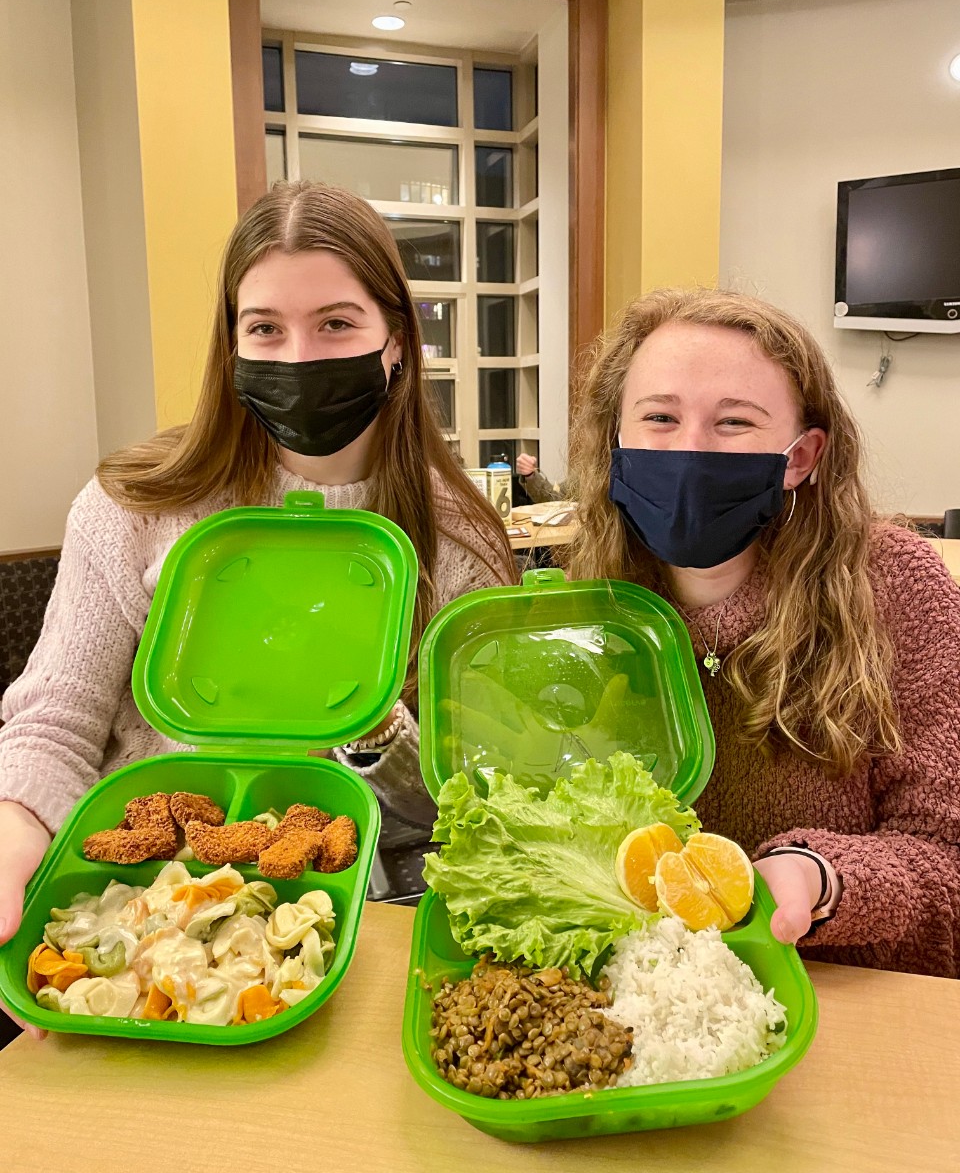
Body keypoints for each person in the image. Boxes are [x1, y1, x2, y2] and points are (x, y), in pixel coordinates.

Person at [0, 181, 516, 1035]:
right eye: (266, 327)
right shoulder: (133, 507)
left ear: (396, 342)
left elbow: (459, 803)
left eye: (338, 324)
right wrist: (14, 832)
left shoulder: (459, 541)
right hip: (135, 922)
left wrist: (376, 731)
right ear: (231, 343)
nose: (300, 356)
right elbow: (54, 721)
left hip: (367, 927)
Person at [565, 287, 960, 977]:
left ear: (800, 457)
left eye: (734, 423)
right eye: (659, 417)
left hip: (852, 997)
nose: (690, 449)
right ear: (616, 445)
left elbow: (946, 859)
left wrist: (825, 878)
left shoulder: (897, 588)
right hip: (648, 1009)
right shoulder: (585, 608)